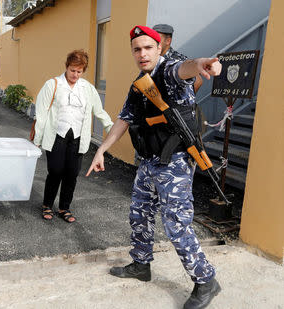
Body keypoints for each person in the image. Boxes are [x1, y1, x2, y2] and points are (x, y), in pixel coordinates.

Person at [86, 26, 222, 308]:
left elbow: (186, 69)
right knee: (139, 213)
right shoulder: (139, 82)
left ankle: (206, 280)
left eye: (148, 47)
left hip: (175, 162)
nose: (142, 53)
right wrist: (101, 149)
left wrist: (200, 64)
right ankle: (141, 264)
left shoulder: (169, 72)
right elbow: (123, 120)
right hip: (149, 161)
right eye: (137, 49)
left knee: (176, 224)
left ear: (160, 48)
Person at [34, 49, 113, 223]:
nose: (75, 74)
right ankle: (47, 204)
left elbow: (98, 111)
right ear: (66, 67)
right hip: (56, 136)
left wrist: (111, 127)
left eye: (79, 71)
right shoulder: (52, 84)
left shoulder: (87, 89)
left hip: (78, 138)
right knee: (55, 171)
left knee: (72, 173)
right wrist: (37, 140)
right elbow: (41, 113)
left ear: (83, 71)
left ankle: (64, 207)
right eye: (72, 70)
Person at [153, 24, 203, 93]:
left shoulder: (178, 60)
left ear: (168, 41)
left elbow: (198, 81)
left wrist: (181, 101)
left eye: (157, 39)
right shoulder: (154, 57)